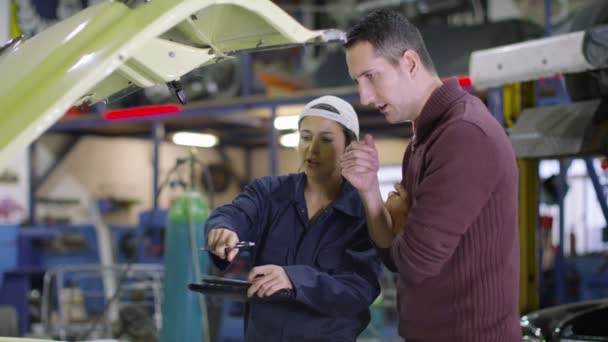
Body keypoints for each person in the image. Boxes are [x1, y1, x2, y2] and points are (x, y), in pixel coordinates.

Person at [340, 9, 521, 342]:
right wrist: (369, 191)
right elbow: (394, 257)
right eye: (357, 82)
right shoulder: (422, 140)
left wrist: (401, 227)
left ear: (409, 63)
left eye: (371, 76)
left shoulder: (465, 135)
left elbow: (413, 263)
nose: (364, 96)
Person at [204, 95, 382, 342]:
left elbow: (360, 289)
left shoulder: (362, 212)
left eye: (326, 140)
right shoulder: (270, 193)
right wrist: (224, 229)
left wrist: (294, 279)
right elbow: (236, 212)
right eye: (306, 137)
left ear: (349, 145)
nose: (312, 149)